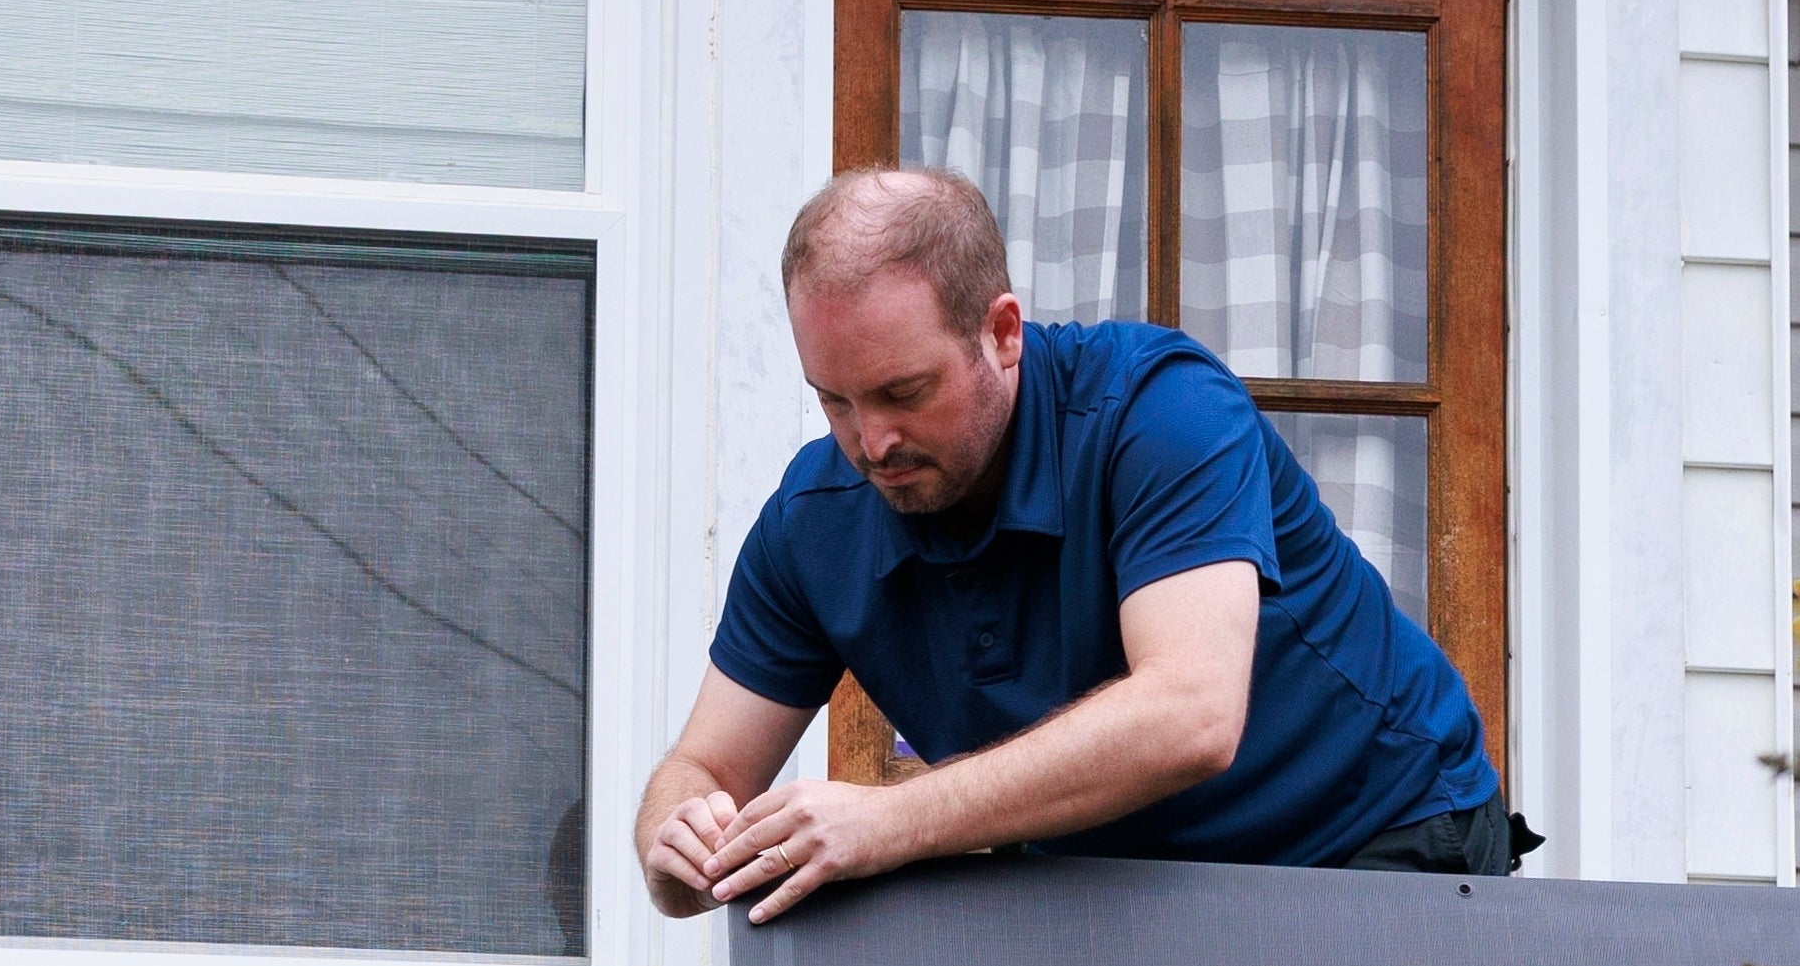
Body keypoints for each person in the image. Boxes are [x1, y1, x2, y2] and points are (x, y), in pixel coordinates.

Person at [636, 166, 1514, 923]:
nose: (871, 442)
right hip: (1119, 883)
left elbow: (1190, 716)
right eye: (834, 401)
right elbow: (704, 765)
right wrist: (677, 841)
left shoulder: (1162, 412)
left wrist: (888, 823)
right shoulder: (813, 519)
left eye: (903, 392)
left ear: (1003, 333)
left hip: (1376, 836)